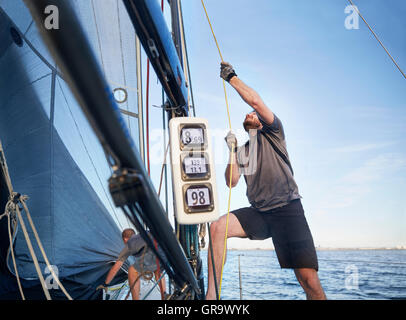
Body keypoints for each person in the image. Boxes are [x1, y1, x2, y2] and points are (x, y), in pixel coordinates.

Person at [206, 62, 326, 300]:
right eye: (247, 116)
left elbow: (256, 102)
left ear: (260, 122)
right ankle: (211, 297)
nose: (251, 114)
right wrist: (231, 150)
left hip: (287, 210)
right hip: (260, 213)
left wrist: (232, 78)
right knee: (217, 227)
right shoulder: (242, 152)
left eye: (254, 115)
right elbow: (231, 182)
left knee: (308, 280)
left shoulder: (273, 133)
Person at [97, 228, 166, 300]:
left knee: (132, 271)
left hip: (155, 255)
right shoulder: (143, 235)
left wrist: (105, 283)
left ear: (125, 239)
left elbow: (116, 267)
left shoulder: (130, 243)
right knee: (158, 272)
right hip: (166, 252)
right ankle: (165, 296)